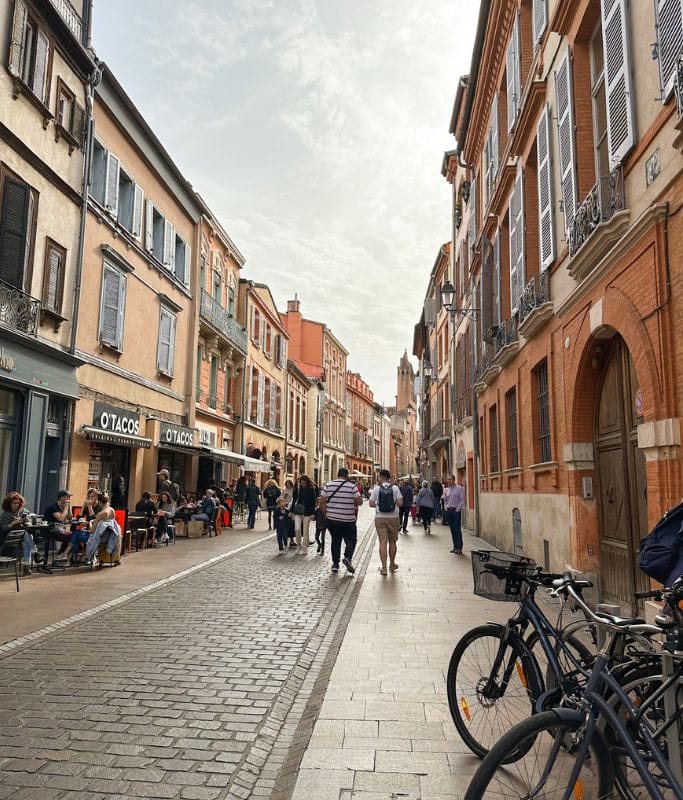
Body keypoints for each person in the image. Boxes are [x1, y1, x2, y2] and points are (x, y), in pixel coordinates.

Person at [319, 467, 362, 574]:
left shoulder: (328, 485)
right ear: (347, 476)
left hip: (332, 519)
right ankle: (347, 557)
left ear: (337, 474)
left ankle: (335, 564)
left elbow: (322, 502)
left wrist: (326, 514)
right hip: (348, 520)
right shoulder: (352, 487)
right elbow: (359, 501)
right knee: (351, 540)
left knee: (336, 540)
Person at [368, 469, 403, 576]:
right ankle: (392, 564)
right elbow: (400, 503)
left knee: (382, 542)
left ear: (381, 477)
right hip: (393, 517)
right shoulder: (395, 488)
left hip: (380, 518)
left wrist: (379, 505)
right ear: (389, 478)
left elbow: (370, 503)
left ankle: (383, 568)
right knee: (392, 542)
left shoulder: (377, 489)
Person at [0, 491, 43, 574]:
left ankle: (27, 567)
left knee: (26, 540)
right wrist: (14, 523)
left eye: (18, 503)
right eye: (14, 503)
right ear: (9, 504)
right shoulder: (6, 515)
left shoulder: (22, 511)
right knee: (26, 535)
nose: (16, 505)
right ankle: (35, 552)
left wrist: (27, 520)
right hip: (10, 537)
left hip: (22, 537)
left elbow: (30, 520)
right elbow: (3, 529)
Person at [291, 475, 316, 550]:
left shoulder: (311, 490)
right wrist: (291, 511)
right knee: (297, 528)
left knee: (305, 529)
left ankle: (304, 546)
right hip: (298, 511)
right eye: (301, 482)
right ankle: (298, 544)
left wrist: (313, 513)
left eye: (304, 482)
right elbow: (294, 501)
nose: (303, 484)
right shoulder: (297, 490)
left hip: (307, 512)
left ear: (307, 482)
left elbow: (313, 503)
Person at [443, 474, 466, 554]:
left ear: (454, 480)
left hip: (456, 511)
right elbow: (445, 500)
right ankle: (455, 546)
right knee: (452, 530)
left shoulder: (459, 488)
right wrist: (445, 508)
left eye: (450, 479)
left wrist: (458, 509)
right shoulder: (446, 490)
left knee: (457, 529)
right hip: (449, 511)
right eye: (448, 479)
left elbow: (462, 499)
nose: (449, 481)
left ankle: (459, 547)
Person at [281, 479, 296, 546]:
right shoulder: (284, 490)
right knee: (286, 523)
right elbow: (281, 498)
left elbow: (294, 498)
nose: (287, 485)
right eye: (286, 484)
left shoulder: (294, 490)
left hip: (292, 507)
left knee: (291, 524)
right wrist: (284, 497)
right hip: (285, 506)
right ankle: (286, 538)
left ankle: (292, 540)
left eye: (288, 484)